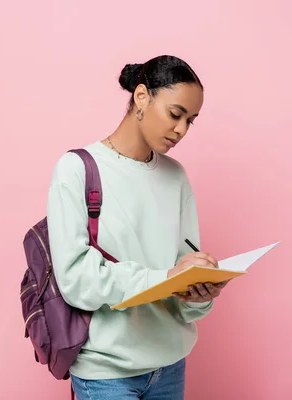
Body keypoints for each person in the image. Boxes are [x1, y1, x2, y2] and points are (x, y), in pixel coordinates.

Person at [46, 55, 228, 400]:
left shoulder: (176, 176)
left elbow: (181, 275)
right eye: (175, 114)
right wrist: (166, 278)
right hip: (106, 374)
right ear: (142, 97)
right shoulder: (76, 169)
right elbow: (76, 279)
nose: (181, 130)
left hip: (170, 365)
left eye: (191, 121)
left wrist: (198, 295)